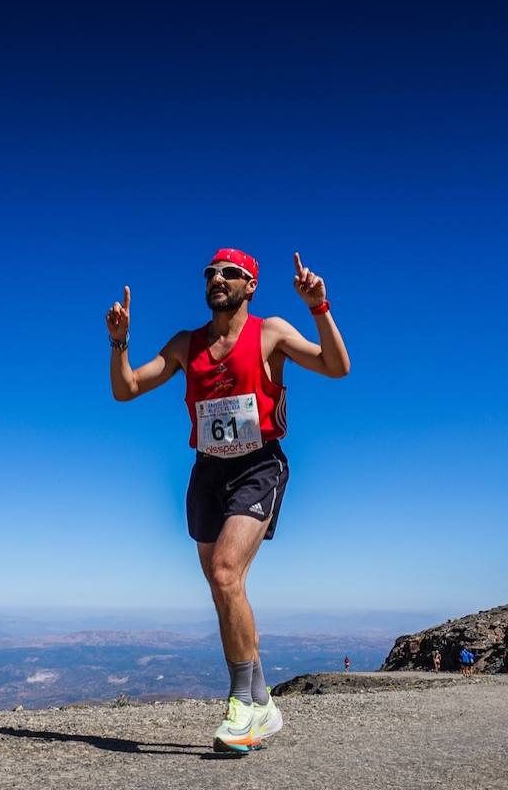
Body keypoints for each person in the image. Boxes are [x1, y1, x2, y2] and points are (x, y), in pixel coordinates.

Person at [106, 248, 351, 752]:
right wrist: (119, 341)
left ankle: (243, 706)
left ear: (251, 285)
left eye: (231, 273)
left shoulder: (270, 333)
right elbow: (126, 389)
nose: (218, 278)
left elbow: (336, 366)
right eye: (211, 273)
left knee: (224, 572)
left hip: (259, 464)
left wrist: (319, 307)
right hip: (207, 471)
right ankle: (264, 701)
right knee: (224, 588)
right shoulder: (186, 344)